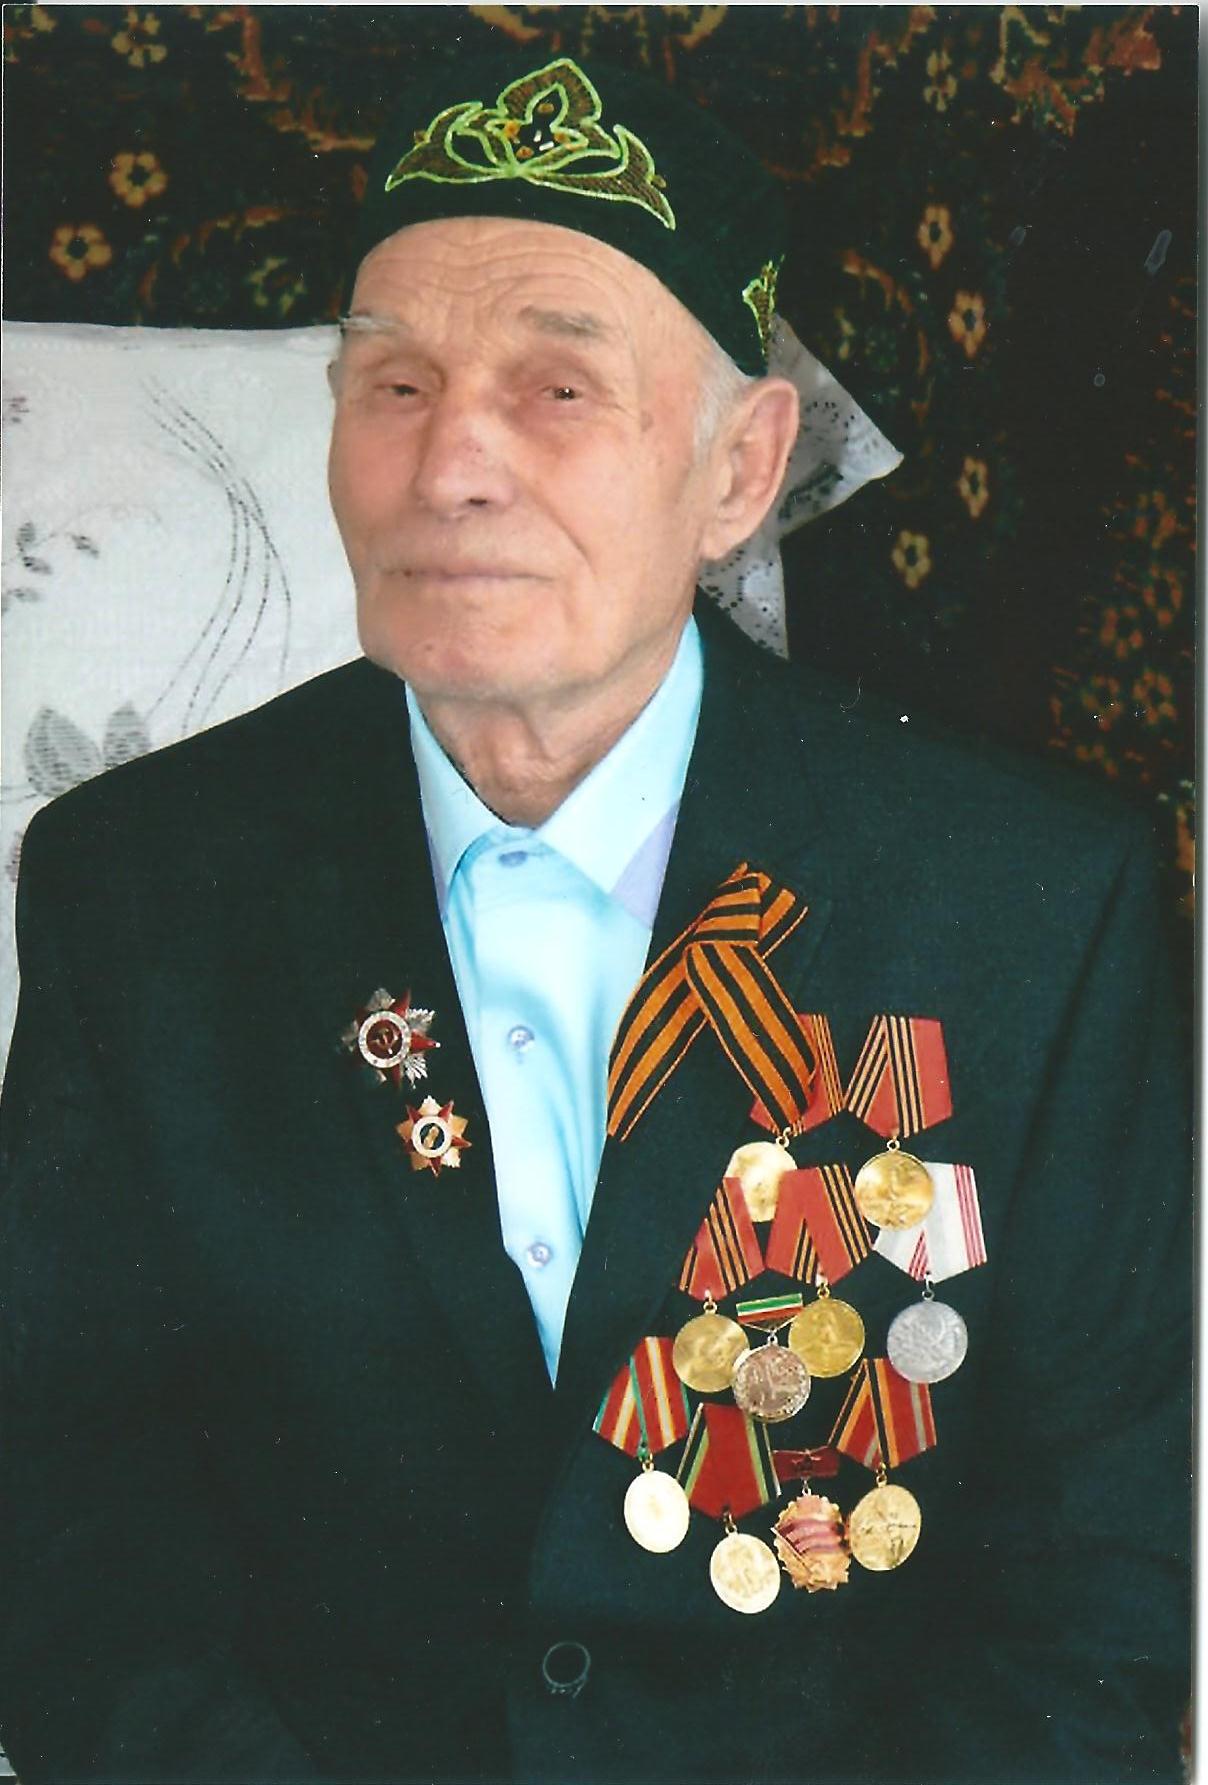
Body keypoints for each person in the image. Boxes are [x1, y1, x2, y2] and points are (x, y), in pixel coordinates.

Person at [0, 47, 1190, 1785]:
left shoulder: (1031, 903)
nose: (452, 464)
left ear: (739, 471)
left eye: (558, 387)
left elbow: (1098, 1592)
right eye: (394, 382)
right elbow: (67, 1527)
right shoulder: (140, 886)